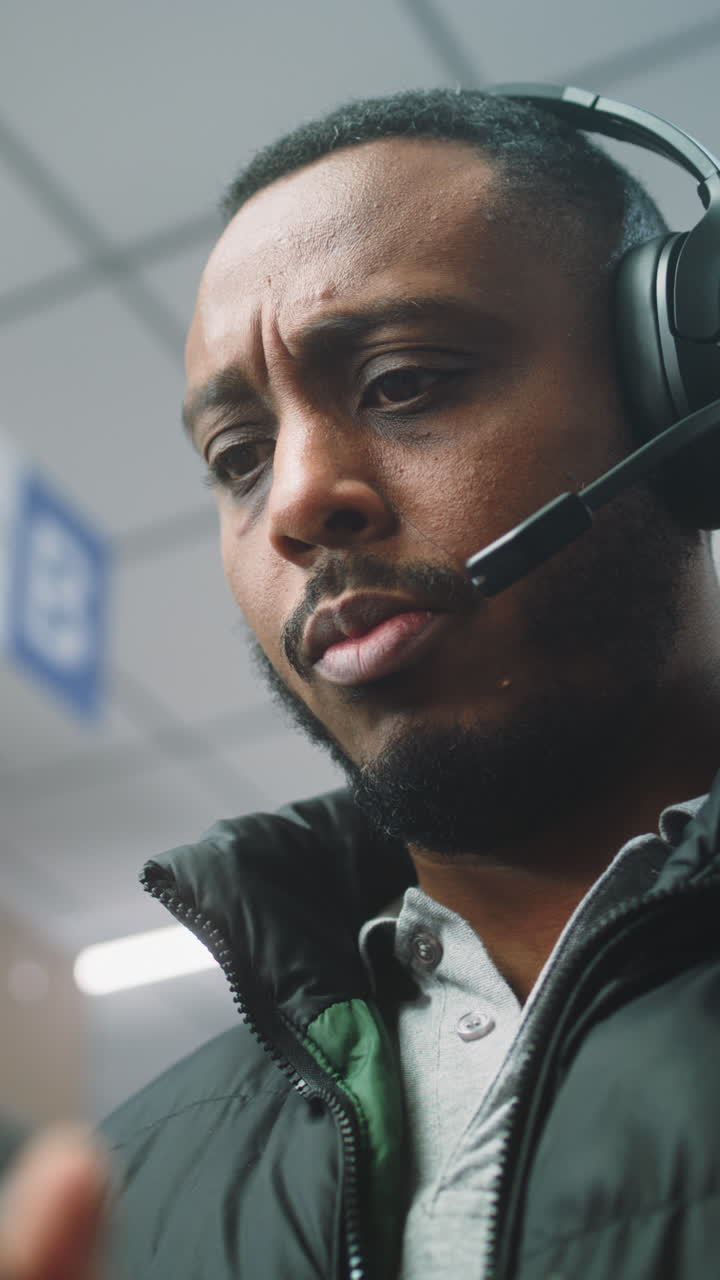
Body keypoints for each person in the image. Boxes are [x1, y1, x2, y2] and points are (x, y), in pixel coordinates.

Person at [4, 85, 720, 1279]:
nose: (292, 502)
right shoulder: (131, 1198)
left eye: (402, 382)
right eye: (239, 457)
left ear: (674, 390)